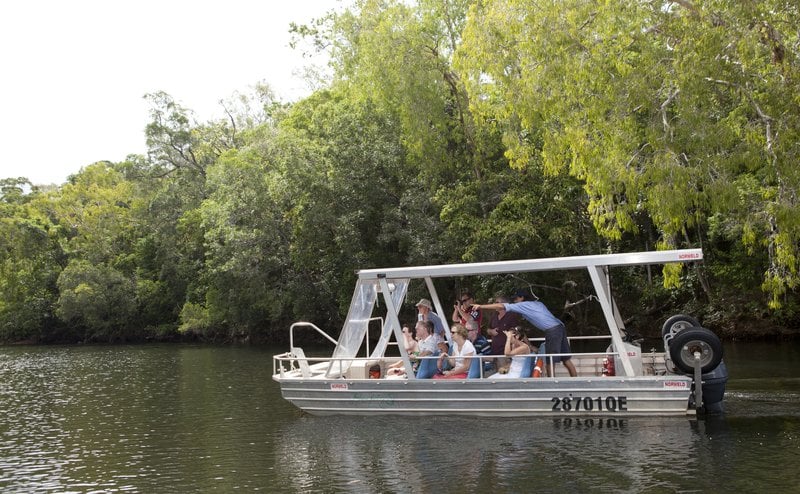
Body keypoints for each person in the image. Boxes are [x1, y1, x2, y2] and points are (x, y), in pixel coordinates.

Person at [471, 289, 578, 377]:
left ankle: (552, 387)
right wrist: (529, 345)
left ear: (522, 298)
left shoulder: (523, 305)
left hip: (552, 331)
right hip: (560, 327)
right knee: (566, 359)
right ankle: (576, 382)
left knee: (550, 361)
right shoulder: (538, 303)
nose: (515, 301)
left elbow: (501, 306)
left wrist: (481, 306)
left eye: (516, 299)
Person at [486, 295, 521, 371]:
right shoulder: (494, 315)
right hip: (495, 351)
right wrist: (491, 331)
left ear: (504, 304)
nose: (494, 304)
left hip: (506, 352)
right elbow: (487, 329)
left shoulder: (511, 316)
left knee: (504, 375)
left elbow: (518, 331)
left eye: (497, 302)